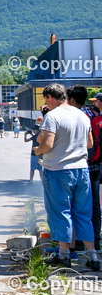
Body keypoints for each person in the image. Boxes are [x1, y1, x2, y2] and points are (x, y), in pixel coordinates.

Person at [33, 84, 97, 270]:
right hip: (82, 170)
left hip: (59, 170)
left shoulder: (52, 116)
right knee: (83, 214)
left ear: (51, 97)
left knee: (61, 211)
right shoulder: (82, 115)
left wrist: (38, 151)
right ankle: (92, 256)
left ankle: (64, 255)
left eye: (46, 99)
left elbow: (48, 145)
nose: (46, 102)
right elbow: (90, 143)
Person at [70, 86, 101, 251]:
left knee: (76, 204)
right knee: (94, 204)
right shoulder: (95, 114)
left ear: (72, 100)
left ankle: (77, 242)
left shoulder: (75, 115)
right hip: (96, 163)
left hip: (79, 164)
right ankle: (95, 241)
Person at [25, 108, 48, 183]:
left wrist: (25, 134)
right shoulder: (40, 135)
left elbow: (26, 140)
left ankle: (31, 180)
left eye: (34, 130)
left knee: (32, 168)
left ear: (37, 130)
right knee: (40, 169)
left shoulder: (36, 136)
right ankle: (42, 181)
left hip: (34, 154)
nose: (33, 131)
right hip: (40, 154)